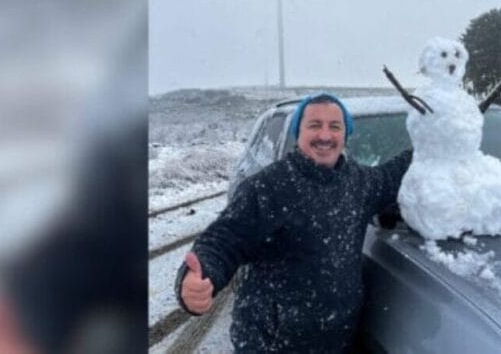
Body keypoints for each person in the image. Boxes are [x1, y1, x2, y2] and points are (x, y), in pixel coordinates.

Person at [175, 93, 412, 353]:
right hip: (272, 343)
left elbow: (393, 173)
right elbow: (224, 240)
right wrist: (199, 276)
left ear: (345, 134)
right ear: (299, 133)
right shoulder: (268, 187)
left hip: (335, 340)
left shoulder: (360, 183)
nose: (325, 135)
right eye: (314, 125)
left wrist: (441, 136)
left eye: (335, 126)